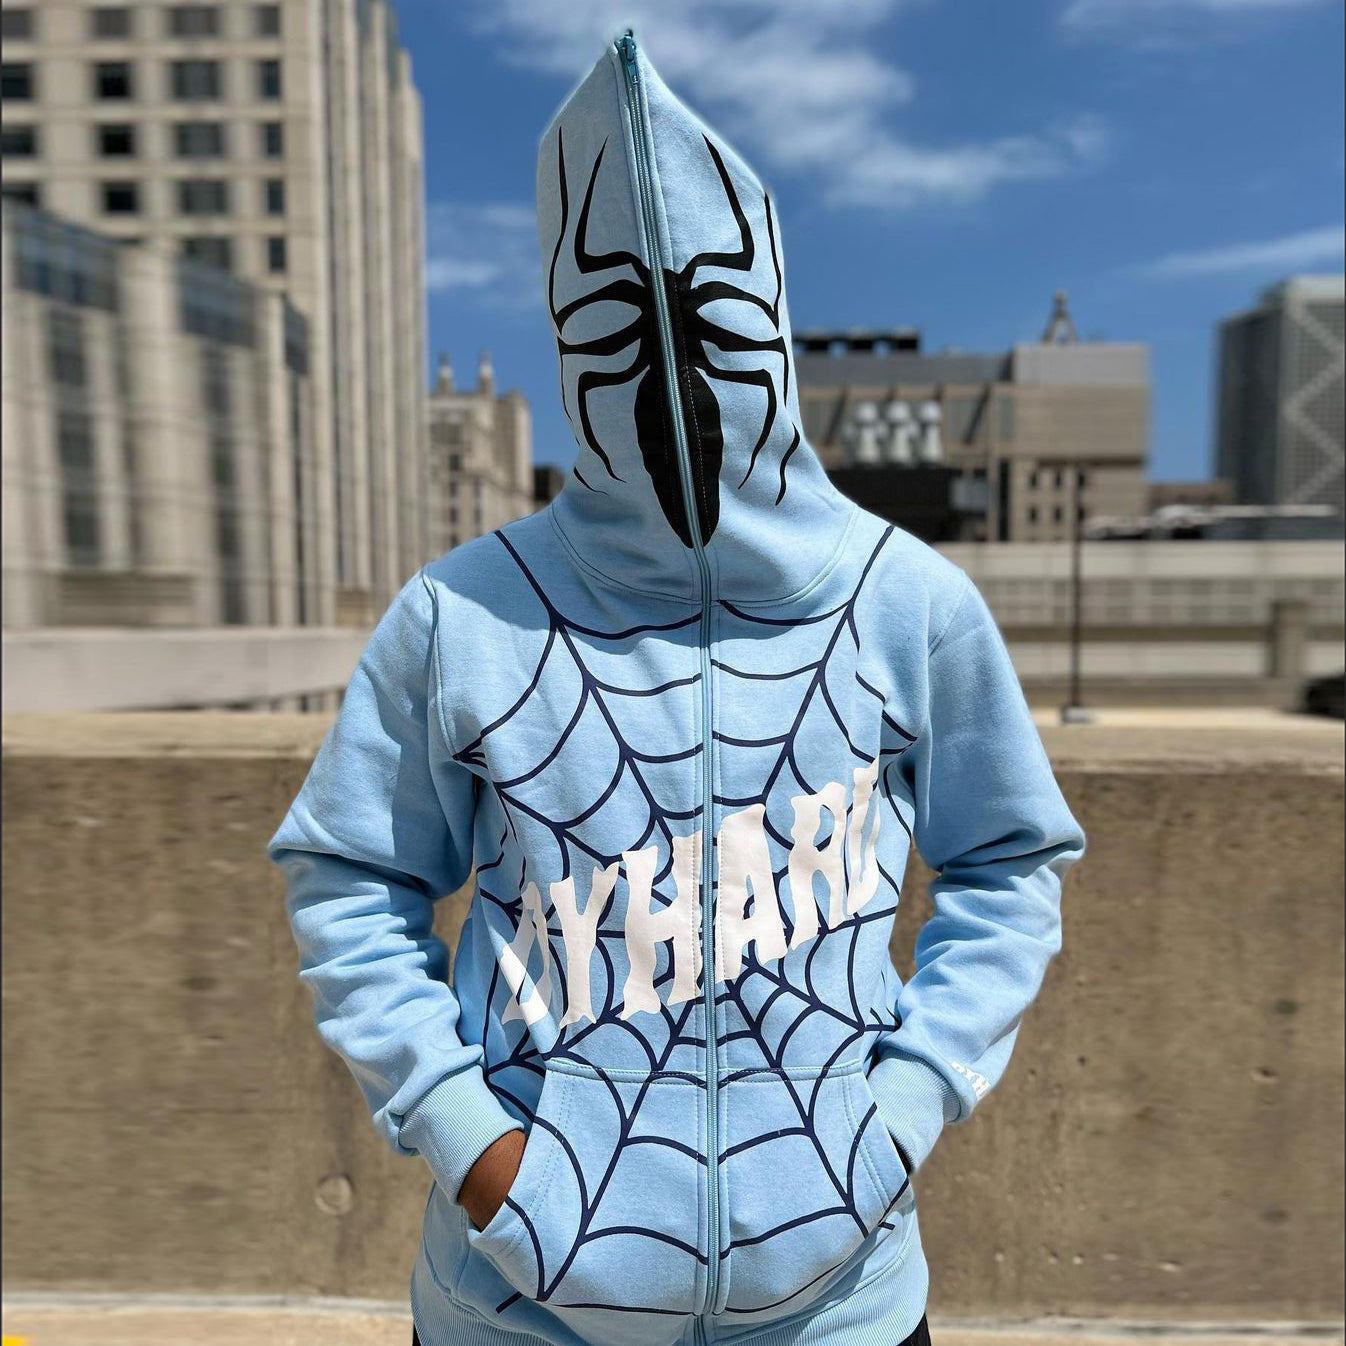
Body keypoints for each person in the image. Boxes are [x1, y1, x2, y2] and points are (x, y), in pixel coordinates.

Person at [266, 30, 1086, 1346]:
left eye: (718, 321)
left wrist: (902, 1109)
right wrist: (477, 1150)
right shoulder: (461, 614)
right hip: (511, 1312)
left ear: (771, 319)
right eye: (611, 324)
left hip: (842, 1310)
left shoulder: (907, 601)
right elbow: (349, 880)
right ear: (562, 335)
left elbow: (1010, 863)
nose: (671, 367)